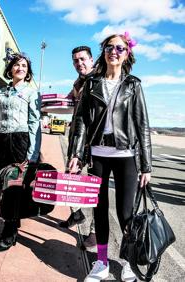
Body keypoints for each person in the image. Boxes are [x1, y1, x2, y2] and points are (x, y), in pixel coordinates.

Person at [68, 32, 152, 282]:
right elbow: (81, 120)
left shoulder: (133, 84)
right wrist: (76, 153)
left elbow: (142, 124)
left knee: (126, 213)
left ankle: (128, 262)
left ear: (127, 54)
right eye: (109, 47)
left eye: (120, 48)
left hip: (126, 155)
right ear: (103, 52)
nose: (113, 51)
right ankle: (102, 262)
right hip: (98, 155)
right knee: (100, 210)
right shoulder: (92, 83)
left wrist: (146, 165)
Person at [0, 53, 41, 252]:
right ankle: (12, 221)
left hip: (20, 140)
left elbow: (34, 123)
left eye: (24, 66)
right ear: (10, 68)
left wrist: (33, 153)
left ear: (28, 71)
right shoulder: (0, 92)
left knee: (13, 184)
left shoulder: (31, 92)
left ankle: (9, 231)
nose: (21, 68)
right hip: (1, 140)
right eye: (17, 65)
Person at [59, 46, 96, 249]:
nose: (79, 63)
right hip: (77, 139)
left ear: (91, 60)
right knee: (70, 180)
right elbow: (69, 102)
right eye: (75, 61)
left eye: (82, 59)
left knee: (95, 188)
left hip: (95, 141)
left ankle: (95, 232)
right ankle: (76, 214)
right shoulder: (78, 82)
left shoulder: (99, 79)